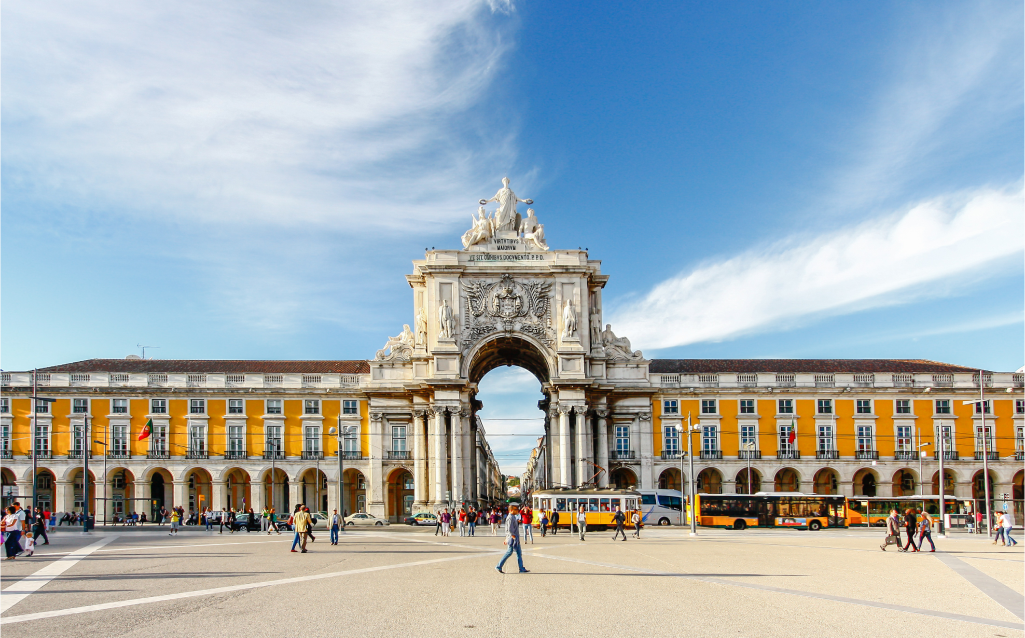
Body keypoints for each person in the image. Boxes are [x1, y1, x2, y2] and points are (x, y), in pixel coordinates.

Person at [495, 504, 529, 574]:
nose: (517, 511)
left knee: (519, 553)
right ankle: (498, 566)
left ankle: (521, 568)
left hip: (515, 537)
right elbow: (509, 529)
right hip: (513, 538)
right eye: (515, 509)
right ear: (511, 510)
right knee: (509, 552)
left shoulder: (513, 517)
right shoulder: (510, 517)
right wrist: (511, 537)